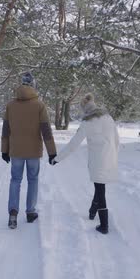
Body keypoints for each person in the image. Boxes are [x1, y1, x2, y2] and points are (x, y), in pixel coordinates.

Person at [52, 93, 119, 234]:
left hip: (97, 160)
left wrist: (58, 158)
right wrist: (114, 154)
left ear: (84, 108)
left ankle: (104, 225)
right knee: (100, 185)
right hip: (110, 156)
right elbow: (116, 138)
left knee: (100, 190)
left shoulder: (87, 122)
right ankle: (92, 211)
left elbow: (74, 144)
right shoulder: (108, 117)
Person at [1, 72, 57, 229]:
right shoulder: (39, 105)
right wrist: (52, 152)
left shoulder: (11, 105)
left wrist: (4, 150)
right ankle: (30, 212)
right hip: (33, 151)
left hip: (16, 151)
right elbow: (46, 131)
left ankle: (13, 213)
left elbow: (6, 130)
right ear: (33, 85)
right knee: (33, 180)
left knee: (15, 180)